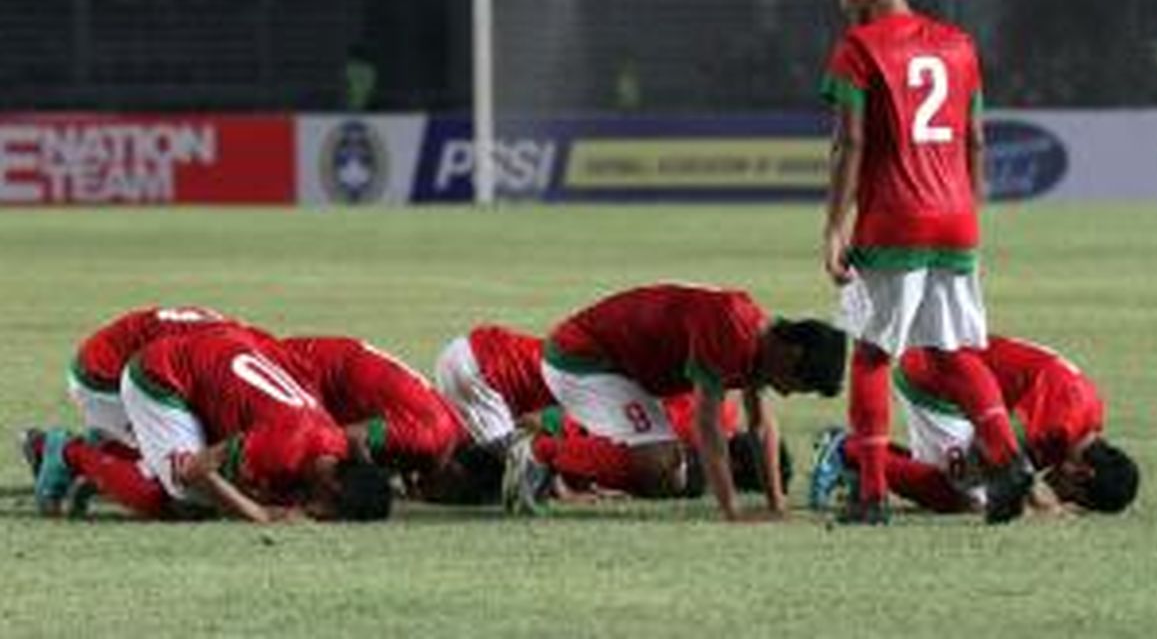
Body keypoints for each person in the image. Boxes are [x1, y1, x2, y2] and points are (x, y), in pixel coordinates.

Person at [819, 0, 1030, 524]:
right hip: (957, 217)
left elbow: (850, 142)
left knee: (870, 355)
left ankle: (871, 494)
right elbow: (978, 139)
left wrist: (835, 228)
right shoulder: (959, 44)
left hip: (895, 218)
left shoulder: (858, 48)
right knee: (949, 351)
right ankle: (1008, 460)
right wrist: (968, 213)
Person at [502, 283, 847, 521]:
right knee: (660, 461)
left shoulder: (757, 342)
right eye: (794, 385)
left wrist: (778, 505)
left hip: (617, 368)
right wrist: (732, 511)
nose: (786, 393)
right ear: (791, 352)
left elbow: (760, 424)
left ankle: (554, 456)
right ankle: (538, 452)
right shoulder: (732, 330)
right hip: (582, 361)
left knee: (669, 476)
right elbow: (706, 424)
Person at [31, 325, 393, 523]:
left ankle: (116, 451)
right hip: (161, 374)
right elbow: (195, 470)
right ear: (330, 483)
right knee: (180, 498)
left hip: (216, 356)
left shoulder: (335, 444)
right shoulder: (283, 449)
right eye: (329, 512)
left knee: (230, 486)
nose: (319, 516)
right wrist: (258, 513)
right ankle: (67, 449)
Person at [432, 323, 784, 502]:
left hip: (492, 358)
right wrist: (564, 489)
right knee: (497, 480)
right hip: (485, 372)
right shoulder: (684, 428)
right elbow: (543, 423)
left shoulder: (719, 408)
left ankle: (431, 468)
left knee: (498, 473)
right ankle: (424, 478)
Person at [810, 335, 1139, 516]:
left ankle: (867, 456)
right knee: (962, 497)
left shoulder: (1087, 416)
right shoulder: (1061, 424)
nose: (1065, 498)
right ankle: (845, 450)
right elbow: (992, 449)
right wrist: (1034, 500)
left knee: (978, 484)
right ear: (1082, 474)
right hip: (935, 379)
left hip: (962, 387)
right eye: (1074, 498)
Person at [22, 305, 242, 514]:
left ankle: (107, 447)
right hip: (105, 379)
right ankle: (68, 450)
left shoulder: (257, 351)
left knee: (205, 469)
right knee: (174, 493)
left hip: (135, 361)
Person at [282, 336, 468, 489]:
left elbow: (392, 427)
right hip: (306, 369)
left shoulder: (454, 429)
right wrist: (371, 483)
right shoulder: (426, 436)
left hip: (323, 361)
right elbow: (355, 436)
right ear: (457, 472)